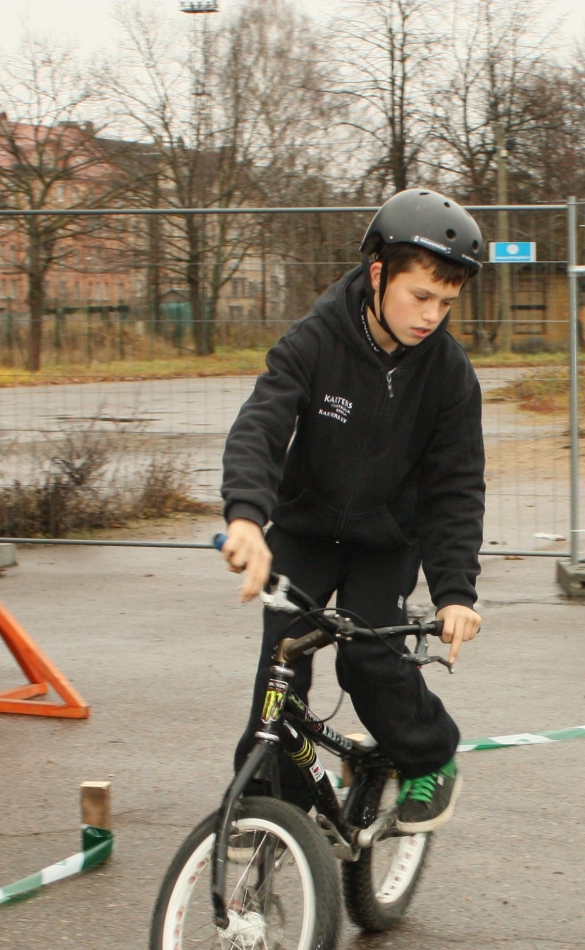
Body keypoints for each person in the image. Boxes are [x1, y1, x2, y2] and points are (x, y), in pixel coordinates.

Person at [218, 189, 487, 833]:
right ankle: (271, 806)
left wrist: (455, 591)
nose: (432, 315)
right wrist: (247, 518)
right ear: (377, 275)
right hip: (306, 531)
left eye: (446, 303)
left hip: (386, 541)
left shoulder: (449, 376)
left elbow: (455, 489)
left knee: (369, 660)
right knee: (280, 666)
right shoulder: (314, 342)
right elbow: (260, 424)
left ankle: (429, 757)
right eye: (420, 296)